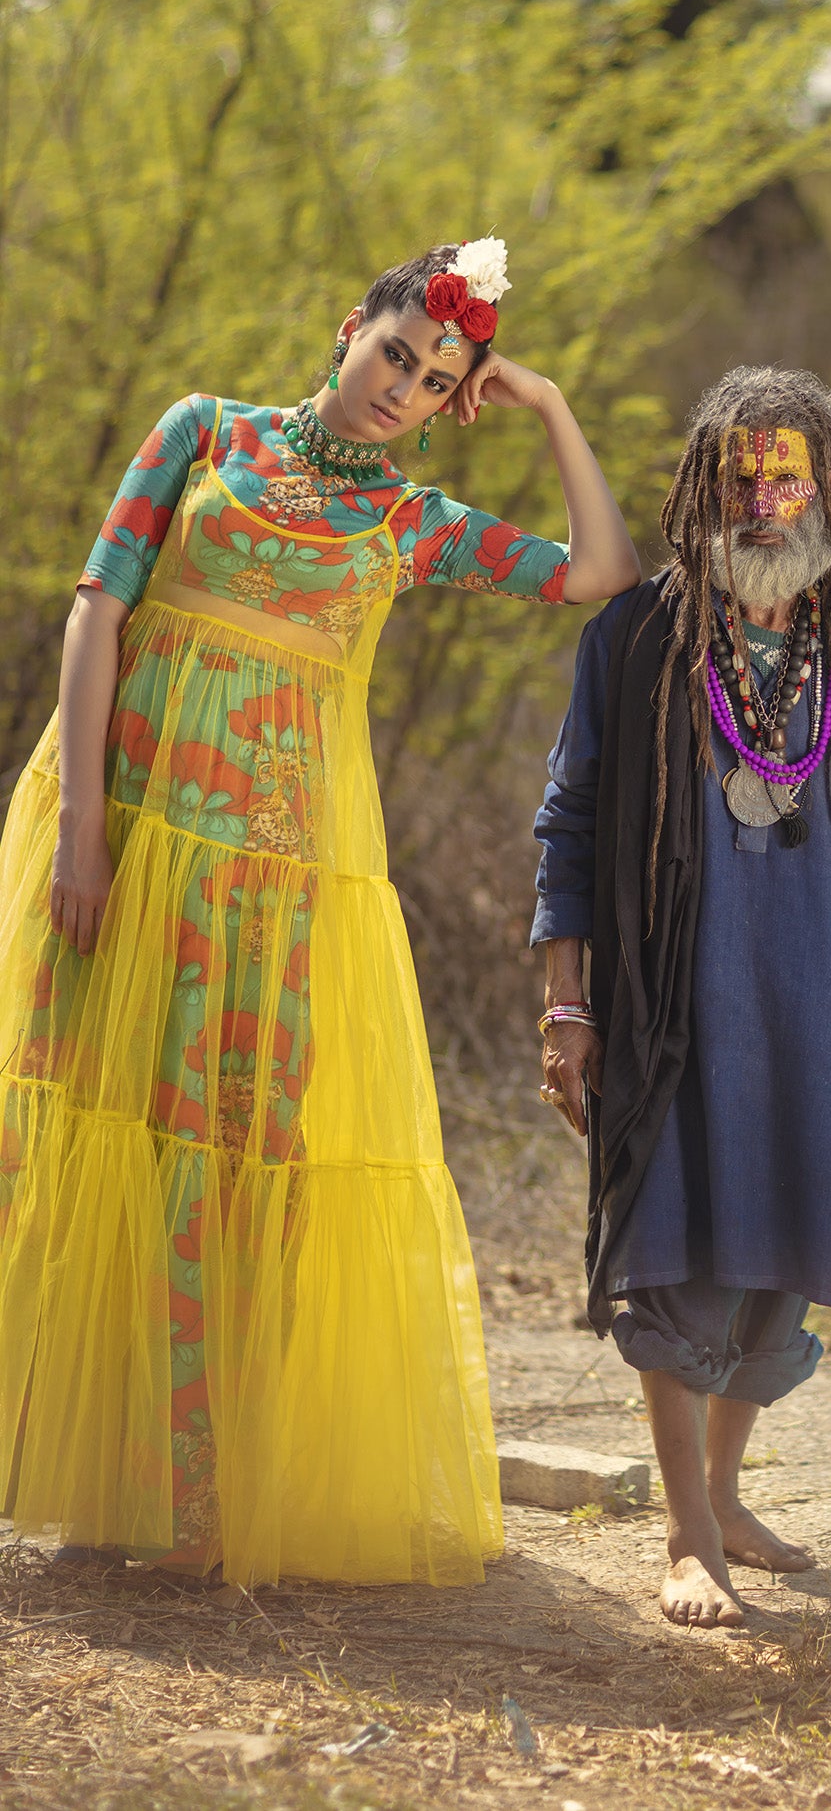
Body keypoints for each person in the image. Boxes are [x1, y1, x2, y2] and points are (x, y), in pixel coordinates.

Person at [0, 239, 640, 1588]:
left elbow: (596, 574)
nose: (401, 386)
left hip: (274, 883)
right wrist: (85, 828)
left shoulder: (411, 522)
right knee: (77, 1137)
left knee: (236, 1169)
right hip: (119, 839)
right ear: (352, 330)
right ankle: (66, 1459)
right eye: (394, 351)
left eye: (435, 378)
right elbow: (100, 609)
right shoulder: (205, 433)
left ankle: (193, 1501)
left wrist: (548, 406)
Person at [530, 365, 831, 1628]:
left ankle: (725, 1494)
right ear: (701, 490)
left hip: (824, 1003)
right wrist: (568, 1005)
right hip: (675, 1003)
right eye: (742, 477)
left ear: (829, 487)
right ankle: (683, 1536)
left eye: (791, 476)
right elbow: (567, 823)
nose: (767, 501)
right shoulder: (636, 640)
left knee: (778, 1263)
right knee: (675, 1254)